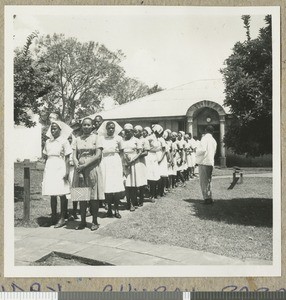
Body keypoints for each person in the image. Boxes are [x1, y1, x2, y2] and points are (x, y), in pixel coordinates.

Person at [72, 117, 105, 230]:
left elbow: (98, 155)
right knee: (81, 196)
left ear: (92, 126)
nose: (86, 127)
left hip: (92, 168)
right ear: (81, 126)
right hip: (80, 170)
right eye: (84, 125)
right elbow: (74, 156)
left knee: (93, 197)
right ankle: (82, 221)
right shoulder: (77, 139)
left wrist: (84, 165)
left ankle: (94, 221)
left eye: (88, 125)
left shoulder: (97, 138)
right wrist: (78, 167)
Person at [42, 121, 72, 228]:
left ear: (60, 130)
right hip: (50, 167)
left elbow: (68, 157)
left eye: (55, 129)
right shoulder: (48, 142)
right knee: (52, 193)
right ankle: (53, 217)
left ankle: (63, 217)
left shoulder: (64, 141)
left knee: (62, 193)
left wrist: (67, 171)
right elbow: (45, 156)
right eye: (52, 129)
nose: (53, 131)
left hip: (60, 166)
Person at [97, 120, 125, 218]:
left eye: (112, 128)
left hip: (115, 161)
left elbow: (122, 152)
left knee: (116, 187)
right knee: (107, 186)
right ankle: (109, 209)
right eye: (109, 128)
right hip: (104, 162)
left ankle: (116, 210)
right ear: (106, 129)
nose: (111, 129)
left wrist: (121, 165)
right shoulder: (101, 138)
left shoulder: (119, 138)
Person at [120, 123, 143, 211]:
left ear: (132, 131)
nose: (127, 133)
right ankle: (128, 203)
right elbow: (121, 152)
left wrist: (132, 160)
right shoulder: (122, 141)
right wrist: (125, 160)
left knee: (133, 185)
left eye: (129, 132)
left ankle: (133, 202)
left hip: (134, 162)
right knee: (126, 184)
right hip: (125, 163)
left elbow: (140, 152)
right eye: (125, 132)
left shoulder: (137, 140)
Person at [195, 125, 217, 204]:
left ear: (205, 130)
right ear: (212, 132)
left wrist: (196, 151)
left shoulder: (204, 139)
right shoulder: (214, 140)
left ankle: (206, 198)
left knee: (203, 181)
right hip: (210, 162)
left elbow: (202, 150)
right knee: (209, 180)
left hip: (204, 162)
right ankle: (210, 196)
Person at [134, 125, 149, 206]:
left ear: (140, 132)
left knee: (142, 181)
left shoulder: (145, 140)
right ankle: (135, 199)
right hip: (134, 162)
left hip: (141, 162)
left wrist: (137, 155)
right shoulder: (134, 140)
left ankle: (141, 199)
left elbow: (146, 152)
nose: (134, 133)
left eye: (136, 131)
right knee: (135, 180)